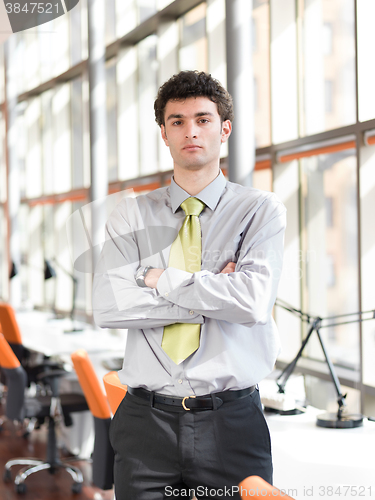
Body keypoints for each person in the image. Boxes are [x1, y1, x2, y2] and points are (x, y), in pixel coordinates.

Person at [93, 70, 286, 499]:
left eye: (202, 118)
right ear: (164, 133)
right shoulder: (131, 215)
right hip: (145, 422)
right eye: (177, 121)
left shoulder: (260, 210)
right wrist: (215, 293)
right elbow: (108, 306)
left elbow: (253, 302)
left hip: (231, 424)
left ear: (225, 128)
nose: (190, 131)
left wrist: (155, 279)